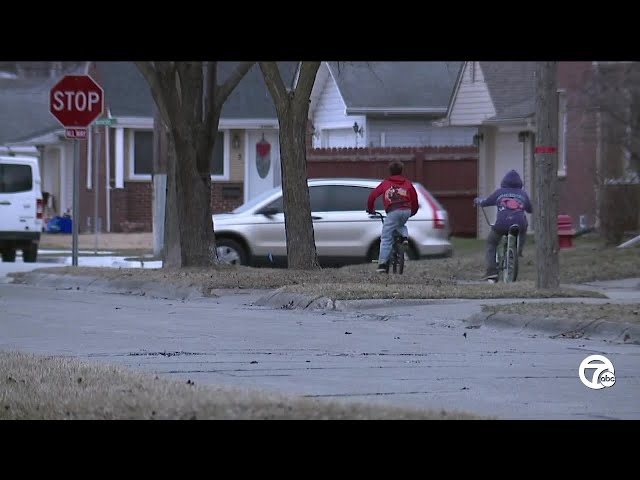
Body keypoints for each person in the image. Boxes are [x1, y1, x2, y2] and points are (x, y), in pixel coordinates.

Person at [474, 169, 532, 281]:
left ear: (504, 182)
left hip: (501, 224)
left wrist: (478, 201)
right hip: (519, 224)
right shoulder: (523, 194)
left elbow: (486, 202)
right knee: (523, 228)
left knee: (491, 243)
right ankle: (518, 251)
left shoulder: (499, 192)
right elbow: (530, 209)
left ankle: (491, 272)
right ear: (519, 183)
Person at [366, 161, 419, 273]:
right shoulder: (408, 184)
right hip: (406, 210)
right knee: (400, 225)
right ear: (401, 171)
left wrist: (371, 209)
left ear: (390, 171)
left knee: (386, 238)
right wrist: (412, 212)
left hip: (393, 210)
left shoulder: (385, 183)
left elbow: (372, 196)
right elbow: (414, 199)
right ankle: (404, 238)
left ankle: (382, 264)